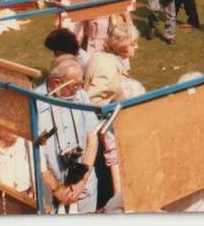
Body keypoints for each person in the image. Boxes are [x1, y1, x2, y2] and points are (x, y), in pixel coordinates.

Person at [37, 57, 100, 214]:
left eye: (81, 84)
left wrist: (82, 181)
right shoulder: (35, 103)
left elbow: (92, 138)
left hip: (84, 188)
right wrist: (56, 189)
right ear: (57, 82)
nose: (78, 90)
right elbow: (36, 154)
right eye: (75, 86)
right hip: (51, 193)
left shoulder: (81, 95)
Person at [84, 24, 141, 105]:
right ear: (122, 46)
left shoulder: (105, 58)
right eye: (133, 44)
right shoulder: (108, 67)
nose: (136, 47)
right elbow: (93, 100)